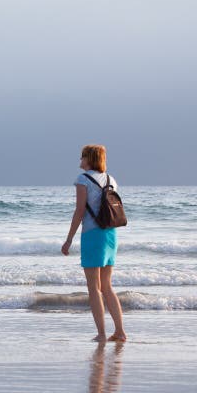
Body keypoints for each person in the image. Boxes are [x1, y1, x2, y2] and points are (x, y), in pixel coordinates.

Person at [61, 145, 127, 342]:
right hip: (110, 235)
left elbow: (79, 211)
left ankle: (101, 334)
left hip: (92, 234)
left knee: (93, 287)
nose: (80, 160)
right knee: (107, 286)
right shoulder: (111, 179)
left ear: (89, 159)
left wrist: (69, 239)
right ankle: (120, 332)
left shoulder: (83, 180)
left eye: (82, 156)